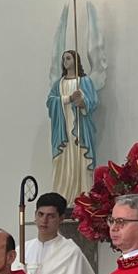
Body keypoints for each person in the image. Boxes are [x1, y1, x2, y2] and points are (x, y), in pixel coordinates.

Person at [47, 49, 99, 204]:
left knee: (80, 161)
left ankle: (82, 195)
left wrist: (82, 102)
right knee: (64, 163)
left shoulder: (84, 82)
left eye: (68, 58)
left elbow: (93, 102)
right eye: (64, 59)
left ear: (75, 60)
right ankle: (63, 197)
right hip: (64, 130)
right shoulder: (59, 84)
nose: (65, 61)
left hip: (80, 131)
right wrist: (68, 98)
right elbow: (50, 102)